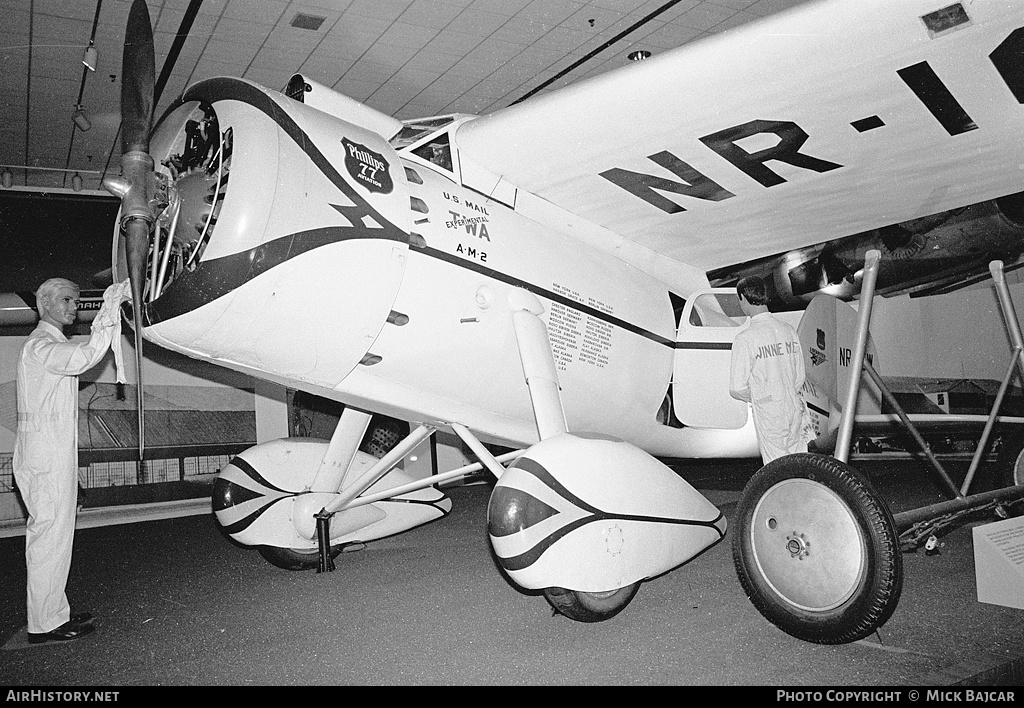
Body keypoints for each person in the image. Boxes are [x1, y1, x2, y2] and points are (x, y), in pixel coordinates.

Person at [14, 277, 129, 644]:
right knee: (50, 538)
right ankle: (45, 624)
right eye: (66, 300)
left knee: (56, 537)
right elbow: (85, 358)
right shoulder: (41, 345)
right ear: (44, 304)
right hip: (45, 455)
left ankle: (52, 613)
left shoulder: (49, 345)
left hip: (50, 453)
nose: (73, 306)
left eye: (75, 300)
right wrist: (109, 312)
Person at [729, 275, 808, 464]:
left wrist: (760, 395)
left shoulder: (745, 338)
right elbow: (800, 377)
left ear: (743, 299)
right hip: (794, 406)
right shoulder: (788, 330)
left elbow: (737, 388)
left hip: (770, 412)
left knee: (776, 467)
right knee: (799, 461)